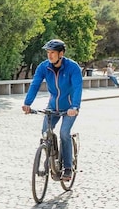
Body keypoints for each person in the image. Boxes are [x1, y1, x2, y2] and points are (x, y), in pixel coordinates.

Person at [22, 39, 83, 182]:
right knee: (45, 133)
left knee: (64, 133)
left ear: (61, 53)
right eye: (48, 53)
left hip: (69, 108)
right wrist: (27, 103)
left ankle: (67, 168)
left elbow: (77, 87)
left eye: (53, 53)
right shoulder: (43, 67)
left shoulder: (72, 67)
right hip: (52, 107)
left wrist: (74, 107)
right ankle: (49, 159)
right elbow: (35, 84)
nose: (49, 56)